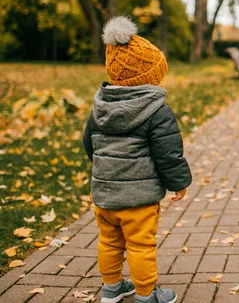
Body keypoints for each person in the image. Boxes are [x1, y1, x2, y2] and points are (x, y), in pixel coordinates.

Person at [83, 16, 192, 303]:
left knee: (109, 242)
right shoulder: (157, 111)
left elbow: (89, 146)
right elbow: (168, 153)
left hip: (105, 195)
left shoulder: (100, 107)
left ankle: (111, 288)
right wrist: (178, 183)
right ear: (148, 76)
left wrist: (106, 169)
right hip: (139, 199)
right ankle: (146, 295)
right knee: (141, 246)